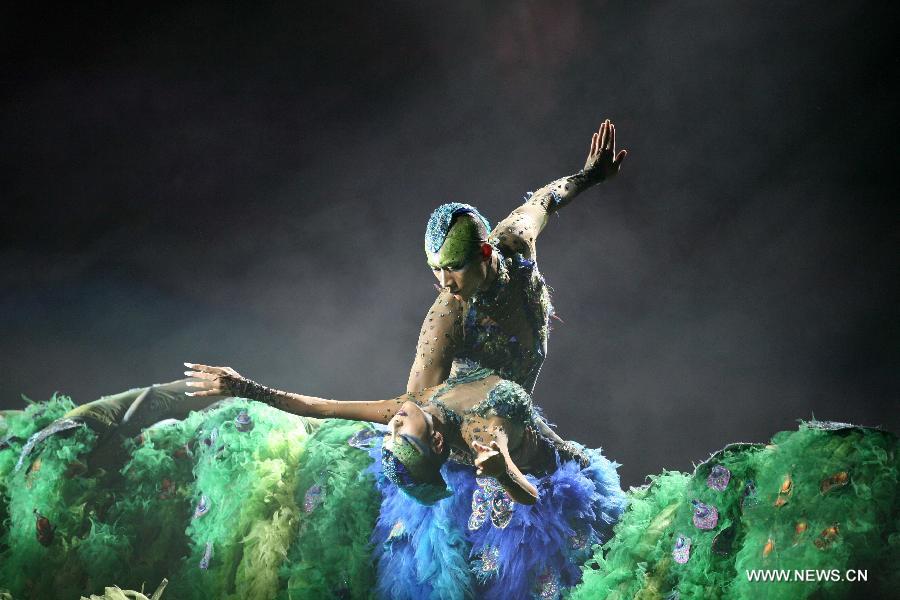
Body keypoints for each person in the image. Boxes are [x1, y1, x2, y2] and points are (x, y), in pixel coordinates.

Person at [183, 361, 626, 598]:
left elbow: (321, 407)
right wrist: (502, 474)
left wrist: (245, 387)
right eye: (400, 431)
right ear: (437, 442)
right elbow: (528, 494)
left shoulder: (409, 407)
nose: (393, 423)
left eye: (392, 430)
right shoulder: (482, 432)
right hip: (554, 482)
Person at [409, 119, 627, 394]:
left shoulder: (515, 241)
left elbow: (545, 199)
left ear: (485, 252)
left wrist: (590, 175)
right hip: (472, 419)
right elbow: (413, 405)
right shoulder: (446, 318)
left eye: (454, 267)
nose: (445, 282)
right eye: (435, 268)